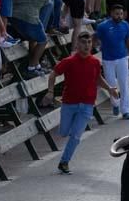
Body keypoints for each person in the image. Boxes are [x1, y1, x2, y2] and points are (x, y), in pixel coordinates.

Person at [45, 31, 119, 174]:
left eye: (89, 42)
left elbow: (98, 79)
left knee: (76, 136)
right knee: (64, 132)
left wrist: (110, 89)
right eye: (83, 42)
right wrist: (50, 92)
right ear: (78, 44)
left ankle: (64, 162)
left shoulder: (95, 62)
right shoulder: (69, 61)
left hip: (87, 105)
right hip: (69, 103)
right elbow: (53, 74)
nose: (86, 45)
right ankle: (67, 132)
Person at [96, 3, 129, 119]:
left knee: (124, 84)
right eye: (117, 14)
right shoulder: (103, 26)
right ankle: (115, 104)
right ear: (111, 13)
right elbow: (95, 39)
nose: (120, 16)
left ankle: (126, 110)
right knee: (111, 84)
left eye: (121, 14)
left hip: (122, 58)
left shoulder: (125, 25)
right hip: (108, 60)